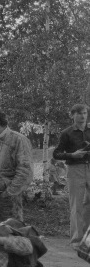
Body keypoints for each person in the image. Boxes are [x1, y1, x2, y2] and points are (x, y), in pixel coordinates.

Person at [0, 105, 33, 224]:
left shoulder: (18, 139)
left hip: (5, 199)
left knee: (9, 237)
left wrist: (8, 194)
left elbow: (25, 171)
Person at [52, 103, 90, 248]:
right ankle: (76, 241)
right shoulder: (66, 133)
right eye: (79, 113)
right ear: (72, 115)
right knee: (76, 205)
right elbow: (56, 153)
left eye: (85, 113)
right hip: (75, 169)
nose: (82, 116)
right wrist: (72, 155)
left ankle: (87, 240)